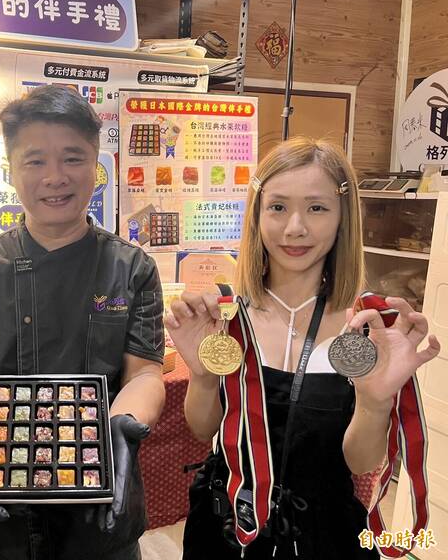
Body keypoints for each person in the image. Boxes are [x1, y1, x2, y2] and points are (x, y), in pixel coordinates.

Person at [165, 137, 440, 559]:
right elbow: (204, 430)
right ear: (257, 215)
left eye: (317, 208)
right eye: (278, 207)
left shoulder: (363, 326)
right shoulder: (226, 315)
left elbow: (360, 463)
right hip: (227, 522)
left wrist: (374, 403)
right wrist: (202, 376)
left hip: (322, 530)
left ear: (342, 217)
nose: (295, 227)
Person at [0, 85, 166, 560]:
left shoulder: (132, 268)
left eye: (72, 158)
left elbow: (144, 373)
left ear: (96, 163)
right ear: (11, 169)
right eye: (35, 161)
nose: (55, 177)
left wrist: (121, 425)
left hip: (101, 501)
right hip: (1, 500)